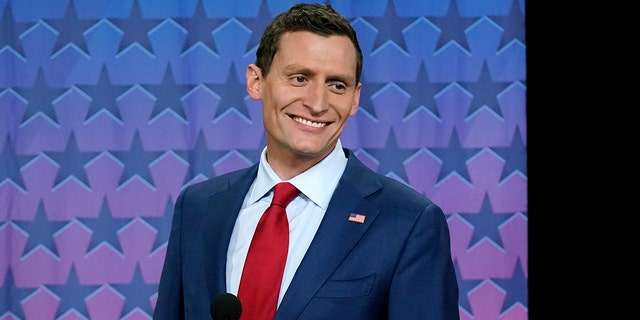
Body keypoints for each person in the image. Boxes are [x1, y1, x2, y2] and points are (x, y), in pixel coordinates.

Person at [153, 3, 459, 319]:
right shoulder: (197, 208)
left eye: (337, 85)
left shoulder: (408, 222)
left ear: (355, 98)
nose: (317, 103)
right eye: (300, 78)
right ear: (256, 81)